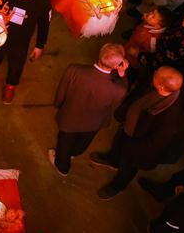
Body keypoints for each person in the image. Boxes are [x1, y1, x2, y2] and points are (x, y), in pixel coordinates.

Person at [91, 66, 184, 199]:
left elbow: (154, 143)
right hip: (127, 129)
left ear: (161, 86)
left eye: (157, 73)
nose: (155, 71)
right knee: (117, 145)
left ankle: (117, 186)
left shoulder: (170, 117)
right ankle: (112, 159)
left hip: (137, 145)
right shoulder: (155, 86)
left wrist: (131, 147)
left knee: (128, 168)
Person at [50, 43, 129, 175]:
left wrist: (58, 105)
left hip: (70, 116)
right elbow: (120, 96)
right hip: (95, 121)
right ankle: (74, 153)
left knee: (64, 141)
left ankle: (62, 166)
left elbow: (61, 91)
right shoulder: (119, 88)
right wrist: (122, 75)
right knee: (84, 140)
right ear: (117, 66)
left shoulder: (74, 70)